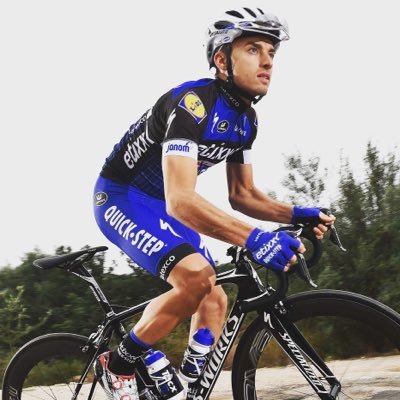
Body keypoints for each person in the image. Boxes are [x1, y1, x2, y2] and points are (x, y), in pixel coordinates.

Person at [92, 7, 335, 400]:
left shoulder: (246, 121)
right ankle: (118, 365)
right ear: (222, 60)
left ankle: (184, 384)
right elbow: (181, 200)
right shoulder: (193, 103)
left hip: (165, 202)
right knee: (196, 279)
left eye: (272, 52)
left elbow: (243, 195)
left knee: (215, 298)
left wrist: (295, 213)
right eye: (253, 49)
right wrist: (256, 238)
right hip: (122, 197)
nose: (268, 61)